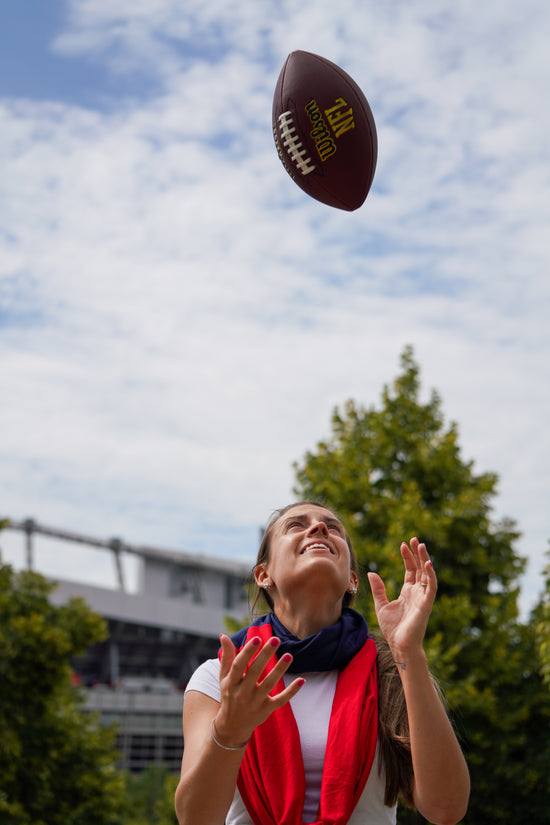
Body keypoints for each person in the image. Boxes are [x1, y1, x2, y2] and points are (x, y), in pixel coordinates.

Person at [175, 501, 470, 825]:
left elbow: (446, 809)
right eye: (296, 525)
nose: (319, 528)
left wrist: (410, 653)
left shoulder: (389, 670)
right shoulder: (219, 677)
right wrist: (229, 732)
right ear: (263, 575)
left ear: (351, 582)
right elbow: (194, 819)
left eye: (333, 527)